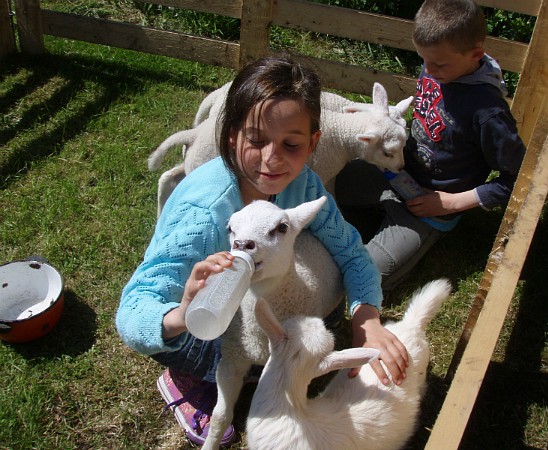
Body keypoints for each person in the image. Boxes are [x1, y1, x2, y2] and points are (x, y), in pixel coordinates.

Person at [115, 54, 409, 446]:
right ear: (232, 134)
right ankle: (187, 379)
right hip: (202, 307)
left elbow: (351, 253)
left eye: (291, 144)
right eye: (256, 140)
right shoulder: (203, 217)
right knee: (202, 333)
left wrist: (367, 319)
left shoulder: (302, 182)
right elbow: (134, 311)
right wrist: (182, 314)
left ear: (313, 144)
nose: (272, 159)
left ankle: (254, 356)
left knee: (316, 259)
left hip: (256, 289)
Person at [335, 0, 526, 291]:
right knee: (322, 183)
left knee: (364, 278)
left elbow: (519, 179)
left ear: (476, 54)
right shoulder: (439, 68)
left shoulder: (489, 113)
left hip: (430, 205)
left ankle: (407, 231)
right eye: (424, 59)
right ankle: (375, 212)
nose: (428, 69)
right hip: (393, 173)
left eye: (438, 63)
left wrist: (452, 202)